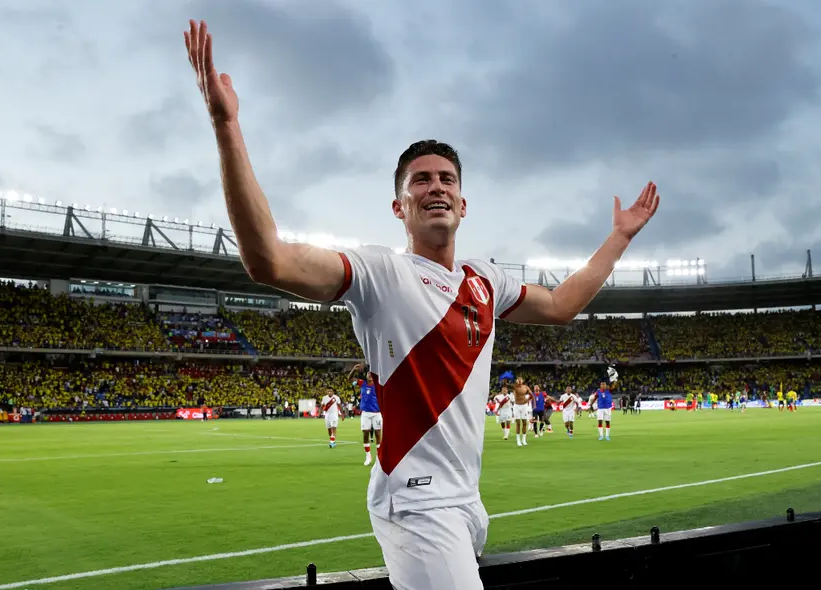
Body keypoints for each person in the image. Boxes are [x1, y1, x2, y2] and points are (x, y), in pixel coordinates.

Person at [183, 19, 660, 590]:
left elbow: (559, 305)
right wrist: (226, 125)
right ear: (398, 206)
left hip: (467, 500)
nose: (436, 186)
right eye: (421, 180)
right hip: (416, 505)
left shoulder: (485, 278)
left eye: (447, 178)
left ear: (463, 201)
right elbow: (270, 260)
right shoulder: (381, 272)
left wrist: (619, 239)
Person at [351, 363, 382, 465]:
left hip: (376, 413)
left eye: (371, 374)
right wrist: (354, 370)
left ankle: (379, 456)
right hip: (365, 413)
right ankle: (368, 456)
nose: (369, 375)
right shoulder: (362, 383)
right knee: (365, 434)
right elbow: (350, 379)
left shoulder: (378, 385)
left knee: (378, 434)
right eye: (368, 374)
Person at [510, 377, 534, 447]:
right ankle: (518, 440)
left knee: (524, 422)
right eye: (518, 379)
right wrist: (505, 381)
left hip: (524, 406)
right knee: (518, 423)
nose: (519, 381)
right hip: (516, 406)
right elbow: (508, 385)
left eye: (521, 379)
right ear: (516, 381)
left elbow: (531, 395)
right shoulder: (514, 387)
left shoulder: (526, 387)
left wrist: (527, 400)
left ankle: (523, 440)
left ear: (523, 381)